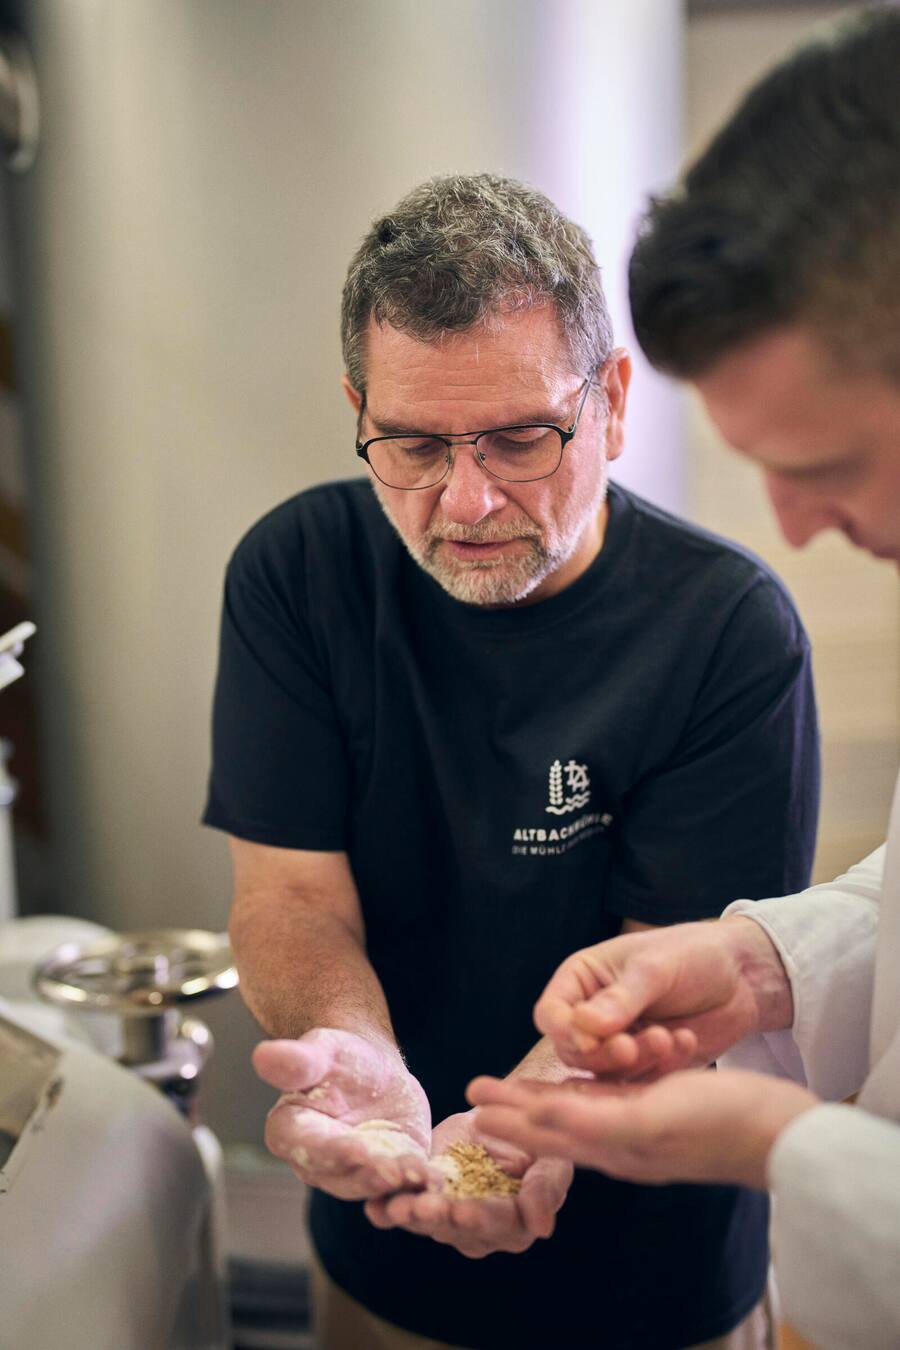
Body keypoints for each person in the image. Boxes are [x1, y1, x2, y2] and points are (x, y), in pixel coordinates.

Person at [204, 173, 820, 1350]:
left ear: (615, 403)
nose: (468, 498)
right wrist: (354, 1055)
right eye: (415, 446)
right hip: (380, 1232)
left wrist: (527, 1117)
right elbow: (288, 896)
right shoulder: (298, 575)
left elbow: (676, 974)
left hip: (657, 1278)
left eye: (521, 438)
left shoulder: (728, 631)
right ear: (359, 409)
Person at [468, 10, 900, 1349]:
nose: (790, 523)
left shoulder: (723, 625)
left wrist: (785, 1145)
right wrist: (761, 961)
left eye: (827, 463)